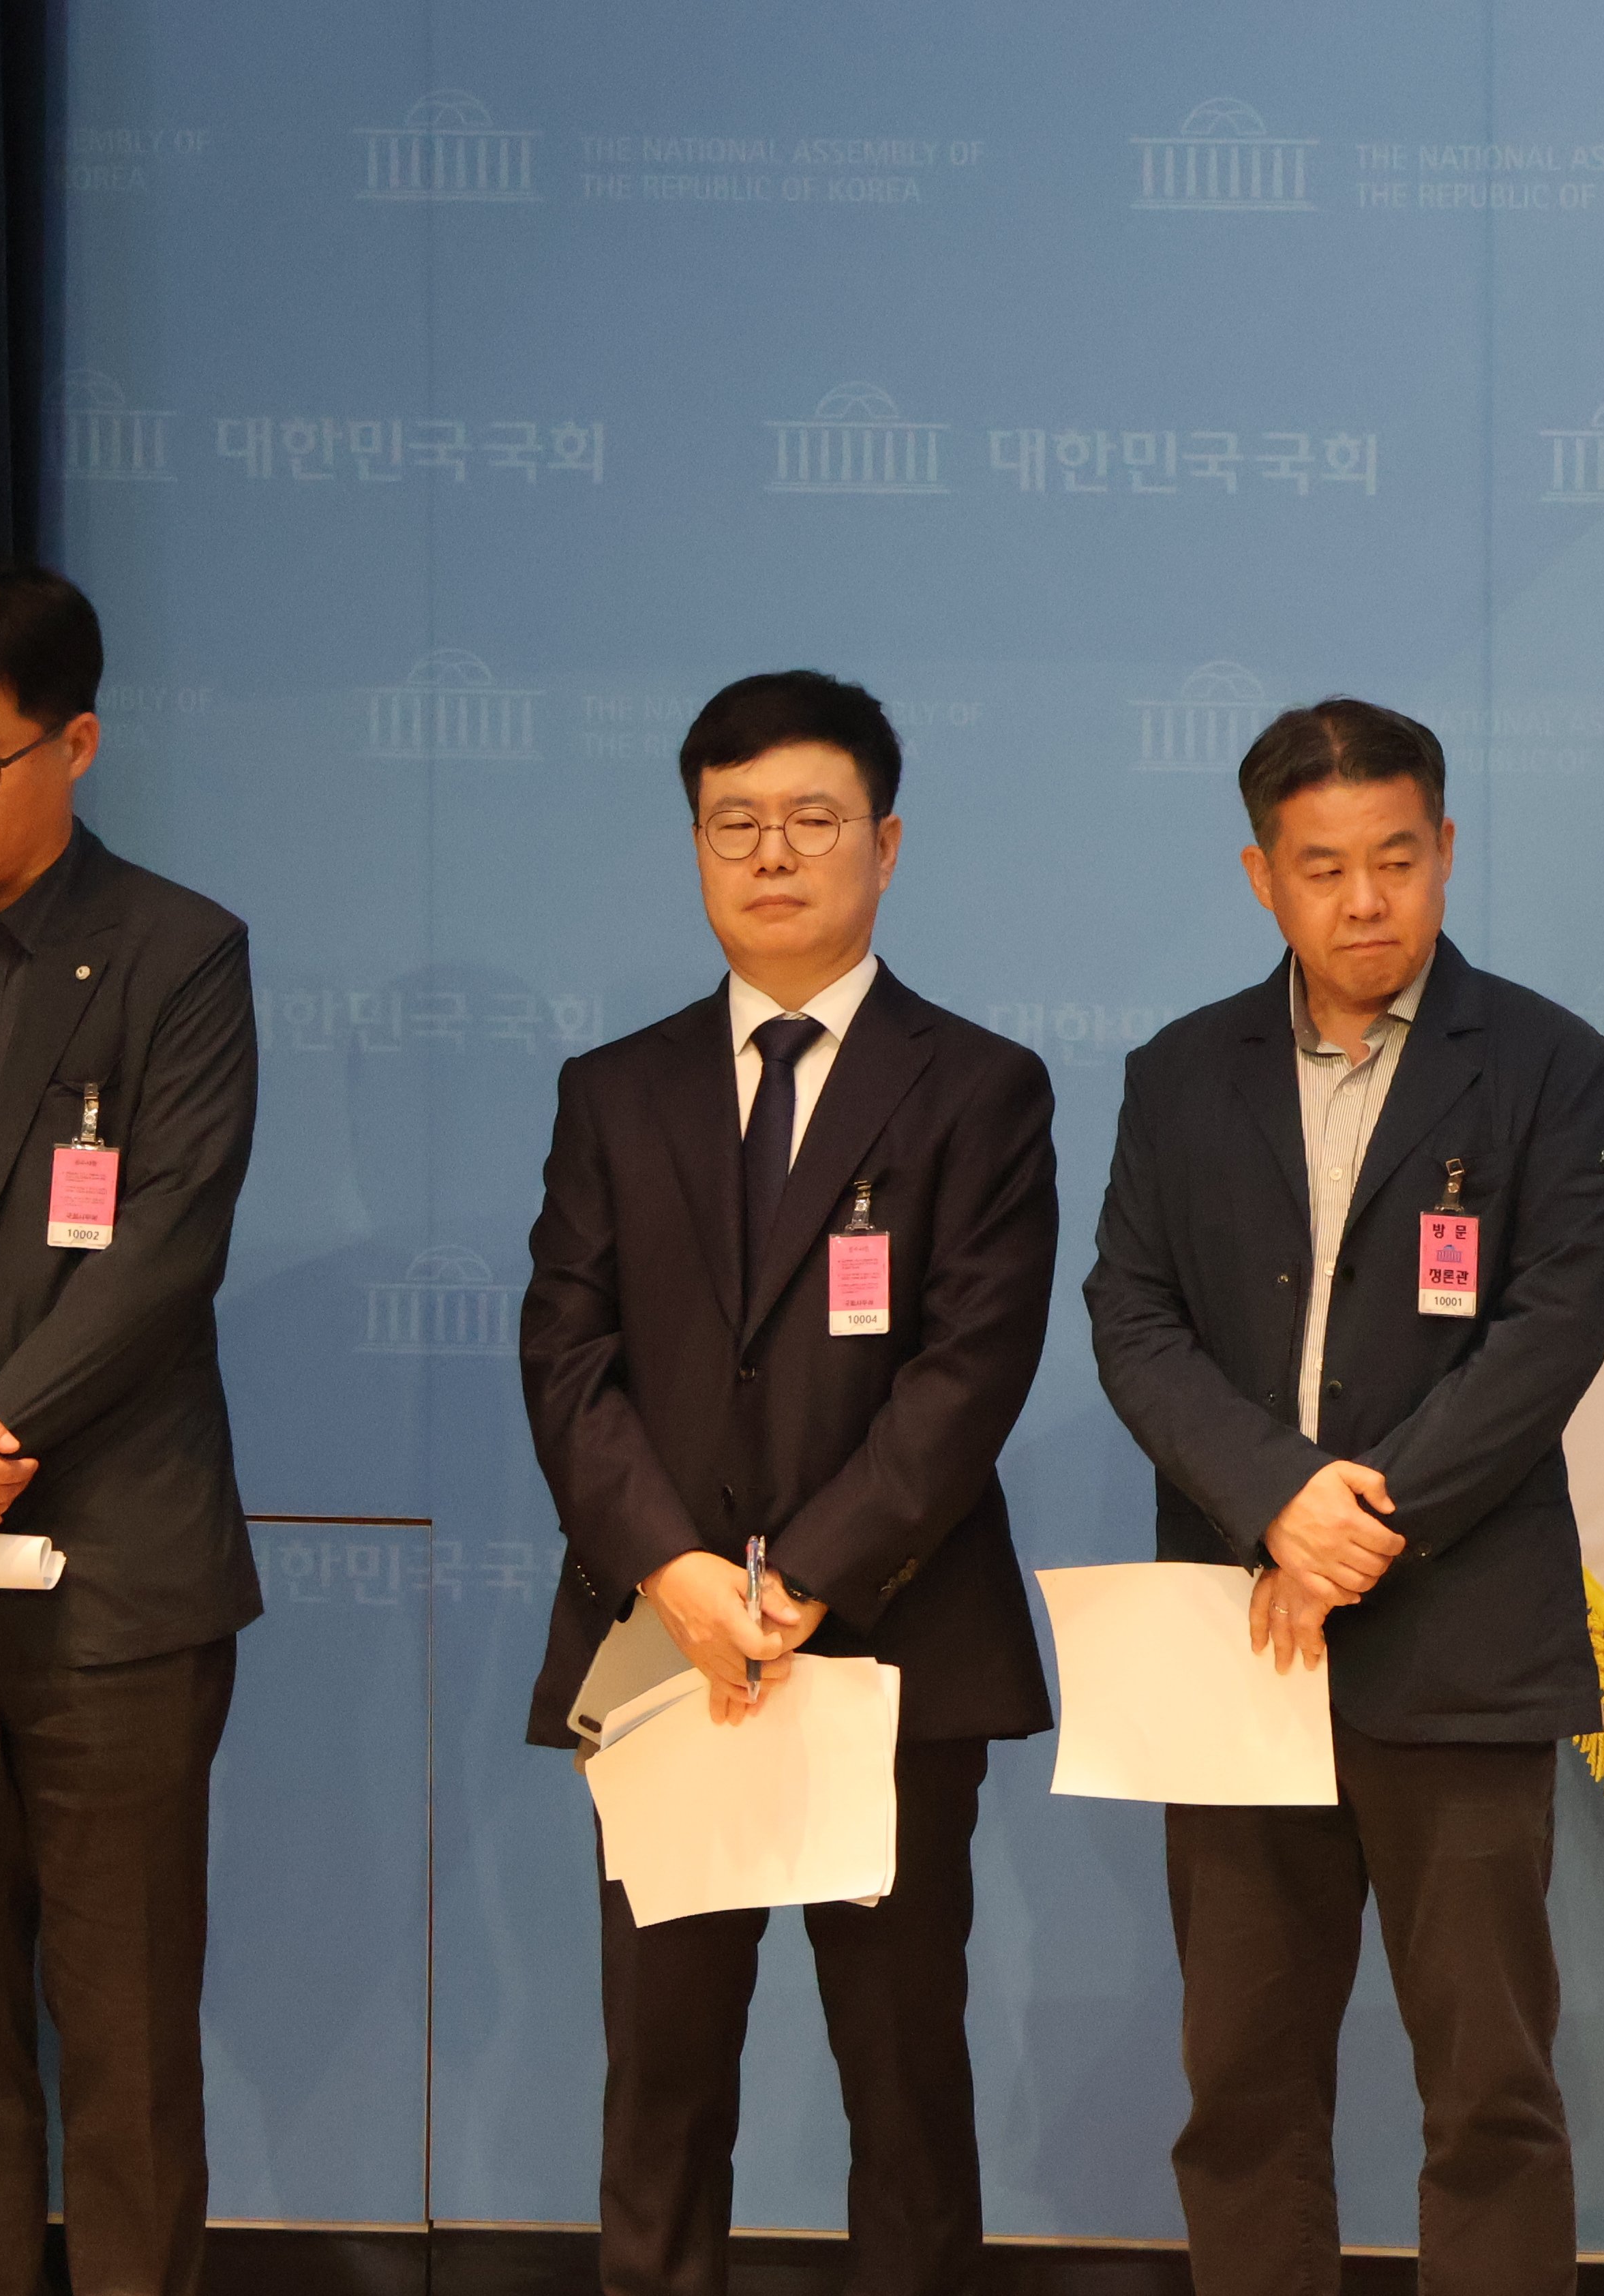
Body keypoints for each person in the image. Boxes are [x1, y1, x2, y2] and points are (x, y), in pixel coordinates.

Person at [517, 670, 1057, 2296]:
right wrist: (678, 1573)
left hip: (893, 1651)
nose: (771, 853)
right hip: (664, 1650)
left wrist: (806, 1574)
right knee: (662, 2079)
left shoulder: (980, 1087)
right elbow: (567, 1357)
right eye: (733, 822)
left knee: (905, 2080)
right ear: (695, 845)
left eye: (812, 820)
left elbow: (970, 1373)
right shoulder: (615, 1091)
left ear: (884, 845)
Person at [1086, 698, 1604, 2296]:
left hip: (1461, 1636)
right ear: (1263, 875)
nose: (1367, 900)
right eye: (1324, 868)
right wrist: (1278, 1502)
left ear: (1446, 850)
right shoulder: (1181, 1075)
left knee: (1490, 2089)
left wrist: (1356, 1527)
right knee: (1242, 2086)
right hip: (1240, 1638)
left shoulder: (1547, 1065)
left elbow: (1552, 1328)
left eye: (1397, 858)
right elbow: (1133, 1318)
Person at [0, 563, 258, 2295]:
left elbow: (166, 1250)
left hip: (113, 1597)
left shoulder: (180, 953)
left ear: (75, 746)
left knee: (129, 2051)